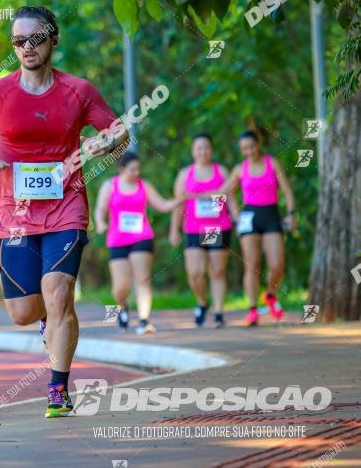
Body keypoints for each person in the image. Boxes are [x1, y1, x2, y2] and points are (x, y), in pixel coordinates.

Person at [0, 5, 129, 418]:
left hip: (65, 207)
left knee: (58, 294)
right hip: (12, 214)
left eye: (35, 38)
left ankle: (58, 388)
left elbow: (120, 133)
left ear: (53, 39)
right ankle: (44, 324)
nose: (27, 47)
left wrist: (102, 144)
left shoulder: (78, 91)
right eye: (18, 41)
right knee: (23, 312)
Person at [189, 130, 296, 327]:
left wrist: (291, 214)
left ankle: (270, 295)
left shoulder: (272, 163)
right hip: (249, 217)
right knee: (252, 264)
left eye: (252, 146)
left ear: (259, 144)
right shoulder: (240, 169)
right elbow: (224, 192)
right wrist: (195, 195)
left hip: (271, 215)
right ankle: (253, 309)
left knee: (276, 264)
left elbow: (287, 191)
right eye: (245, 149)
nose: (249, 151)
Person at [94, 152, 179, 335]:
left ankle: (144, 320)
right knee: (120, 287)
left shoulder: (144, 186)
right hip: (117, 240)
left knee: (142, 280)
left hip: (142, 237)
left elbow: (162, 205)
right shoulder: (110, 185)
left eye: (138, 169)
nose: (136, 173)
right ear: (121, 169)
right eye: (132, 169)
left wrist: (180, 200)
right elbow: (100, 209)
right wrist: (100, 222)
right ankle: (123, 307)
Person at [170, 133, 239, 328]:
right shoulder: (185, 174)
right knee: (195, 273)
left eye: (206, 147)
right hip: (193, 228)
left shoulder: (221, 172)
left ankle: (218, 313)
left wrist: (238, 219)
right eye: (199, 148)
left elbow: (230, 198)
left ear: (212, 150)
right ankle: (202, 302)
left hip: (218, 227)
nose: (203, 152)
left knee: (217, 271)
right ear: (193, 151)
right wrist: (174, 230)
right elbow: (179, 204)